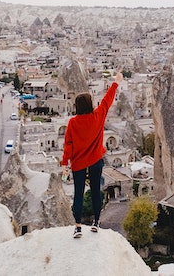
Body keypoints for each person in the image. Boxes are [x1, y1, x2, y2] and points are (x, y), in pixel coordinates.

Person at [62, 69, 123, 238]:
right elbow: (108, 100)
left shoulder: (73, 123)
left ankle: (78, 226)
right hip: (96, 160)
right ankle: (96, 222)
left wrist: (64, 164)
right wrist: (116, 81)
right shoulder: (98, 116)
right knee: (96, 191)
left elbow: (68, 145)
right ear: (90, 104)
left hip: (78, 163)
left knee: (78, 193)